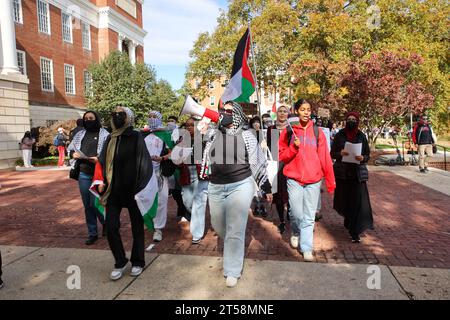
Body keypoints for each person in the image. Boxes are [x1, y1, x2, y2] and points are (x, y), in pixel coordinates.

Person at [202, 101, 272, 287]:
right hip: (216, 186)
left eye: (230, 111)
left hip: (241, 185)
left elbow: (258, 162)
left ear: (239, 114)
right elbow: (204, 155)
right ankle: (235, 242)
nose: (225, 113)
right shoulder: (214, 133)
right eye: (223, 111)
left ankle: (232, 270)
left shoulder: (247, 135)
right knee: (218, 226)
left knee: (235, 229)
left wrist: (265, 186)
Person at [93, 106, 153, 280]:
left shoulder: (135, 136)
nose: (117, 117)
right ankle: (120, 261)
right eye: (114, 114)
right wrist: (101, 181)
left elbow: (144, 162)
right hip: (113, 191)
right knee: (110, 227)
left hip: (134, 191)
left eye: (121, 114)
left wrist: (141, 188)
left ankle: (137, 261)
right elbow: (102, 161)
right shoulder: (110, 138)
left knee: (137, 229)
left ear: (128, 117)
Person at [279, 99, 335, 262]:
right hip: (294, 178)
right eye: (302, 109)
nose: (306, 112)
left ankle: (307, 247)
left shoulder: (318, 132)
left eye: (308, 109)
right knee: (296, 213)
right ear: (296, 111)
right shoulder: (288, 132)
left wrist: (330, 181)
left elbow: (325, 157)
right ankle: (295, 231)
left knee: (309, 215)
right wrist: (293, 147)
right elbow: (282, 156)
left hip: (314, 179)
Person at [331, 112, 374, 243]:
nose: (351, 121)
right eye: (349, 119)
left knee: (358, 202)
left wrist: (363, 158)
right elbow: (332, 153)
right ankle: (348, 222)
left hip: (357, 174)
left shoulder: (361, 136)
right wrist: (340, 153)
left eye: (353, 119)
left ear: (358, 121)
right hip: (343, 174)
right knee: (345, 201)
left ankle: (355, 231)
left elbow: (367, 154)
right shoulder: (339, 135)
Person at [69, 111, 110, 245]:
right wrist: (73, 154)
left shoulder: (105, 135)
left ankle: (105, 223)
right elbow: (71, 149)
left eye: (91, 118)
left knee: (95, 203)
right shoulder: (80, 134)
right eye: (86, 119)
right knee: (87, 205)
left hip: (99, 174)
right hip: (84, 173)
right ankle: (92, 233)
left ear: (96, 119)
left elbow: (109, 154)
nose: (88, 120)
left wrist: (98, 159)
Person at [173, 117, 209, 244]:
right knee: (187, 201)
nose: (188, 127)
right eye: (186, 125)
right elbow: (175, 158)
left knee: (199, 203)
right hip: (186, 173)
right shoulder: (182, 140)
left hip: (201, 174)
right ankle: (196, 217)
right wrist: (178, 160)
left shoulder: (204, 139)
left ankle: (197, 234)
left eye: (191, 125)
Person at [143, 111, 171, 243]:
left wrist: (162, 158)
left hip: (160, 173)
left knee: (161, 200)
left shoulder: (165, 134)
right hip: (144, 174)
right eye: (149, 116)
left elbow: (173, 151)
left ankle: (158, 228)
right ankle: (148, 219)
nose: (151, 119)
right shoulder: (142, 134)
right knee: (143, 198)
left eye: (155, 117)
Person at [266, 104, 293, 235]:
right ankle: (281, 220)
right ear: (276, 114)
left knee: (290, 192)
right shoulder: (271, 129)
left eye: (285, 111)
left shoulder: (291, 129)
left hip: (289, 164)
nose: (282, 113)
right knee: (278, 194)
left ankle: (289, 212)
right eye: (280, 111)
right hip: (275, 164)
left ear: (288, 114)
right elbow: (268, 147)